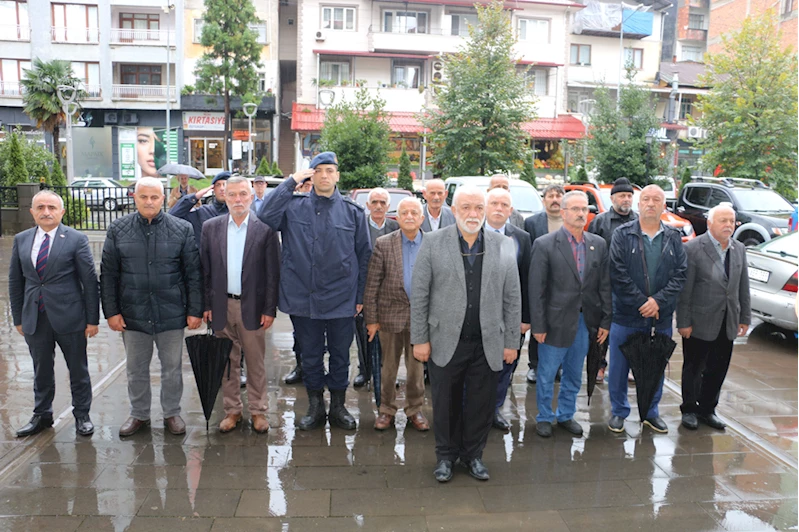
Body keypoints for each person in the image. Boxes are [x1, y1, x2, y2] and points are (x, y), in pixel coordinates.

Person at [411, 185, 521, 483]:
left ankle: (474, 455)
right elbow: (420, 293)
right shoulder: (433, 242)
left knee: (480, 404)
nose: (473, 214)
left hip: (487, 343)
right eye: (466, 208)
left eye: (478, 208)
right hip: (445, 340)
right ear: (454, 209)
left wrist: (511, 341)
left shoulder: (503, 245)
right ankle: (445, 456)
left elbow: (512, 297)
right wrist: (419, 338)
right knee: (445, 403)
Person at [258, 151, 371, 431]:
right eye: (317, 170)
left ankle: (339, 406)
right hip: (303, 299)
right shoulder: (293, 207)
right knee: (309, 356)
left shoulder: (353, 212)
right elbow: (265, 216)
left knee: (341, 356)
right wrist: (291, 181)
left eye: (329, 170)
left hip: (342, 300)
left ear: (337, 175)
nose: (324, 175)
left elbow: (364, 256)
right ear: (310, 175)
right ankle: (316, 406)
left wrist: (359, 298)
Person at [101, 177, 203, 437]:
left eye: (154, 197)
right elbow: (109, 274)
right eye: (143, 197)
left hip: (171, 313)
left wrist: (194, 310)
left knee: (172, 368)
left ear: (162, 198)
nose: (149, 202)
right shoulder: (118, 229)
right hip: (133, 314)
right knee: (136, 369)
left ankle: (172, 413)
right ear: (134, 197)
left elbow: (193, 273)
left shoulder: (181, 229)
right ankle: (139, 414)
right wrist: (111, 312)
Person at [9, 191, 100, 437]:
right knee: (41, 369)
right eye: (40, 207)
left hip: (70, 317)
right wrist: (18, 317)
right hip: (35, 318)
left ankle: (82, 415)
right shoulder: (21, 240)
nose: (46, 212)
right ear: (32, 212)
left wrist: (93, 319)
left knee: (78, 369)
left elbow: (89, 282)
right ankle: (42, 415)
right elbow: (15, 282)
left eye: (51, 207)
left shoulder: (75, 239)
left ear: (61, 212)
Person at [200, 176, 280, 434]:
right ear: (223, 195)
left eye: (243, 194)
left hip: (253, 308)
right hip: (221, 305)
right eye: (232, 194)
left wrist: (269, 309)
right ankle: (232, 410)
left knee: (255, 362)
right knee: (226, 362)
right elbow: (205, 270)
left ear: (251, 196)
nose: (237, 200)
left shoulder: (264, 230)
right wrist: (206, 304)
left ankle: (258, 411)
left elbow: (272, 274)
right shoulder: (210, 228)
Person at [529, 190, 611, 438]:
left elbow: (604, 285)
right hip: (554, 323)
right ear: (563, 213)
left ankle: (565, 414)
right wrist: (538, 326)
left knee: (575, 373)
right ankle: (544, 416)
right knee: (546, 374)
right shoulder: (544, 244)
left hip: (585, 323)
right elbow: (537, 289)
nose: (580, 214)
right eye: (574, 209)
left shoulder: (598, 244)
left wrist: (606, 320)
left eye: (584, 209)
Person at [608, 184, 687, 434]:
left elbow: (681, 274)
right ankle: (619, 412)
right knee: (619, 369)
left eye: (657, 200)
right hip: (626, 315)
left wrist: (658, 302)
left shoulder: (674, 237)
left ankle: (650, 412)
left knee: (655, 367)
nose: (651, 203)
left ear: (664, 206)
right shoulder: (622, 235)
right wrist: (642, 302)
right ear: (638, 204)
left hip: (660, 318)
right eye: (646, 199)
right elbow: (617, 273)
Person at [677, 203, 750, 431]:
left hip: (727, 321)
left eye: (732, 221)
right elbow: (685, 290)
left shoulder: (739, 249)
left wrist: (744, 317)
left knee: (718, 368)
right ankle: (689, 409)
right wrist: (683, 322)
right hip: (699, 321)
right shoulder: (694, 248)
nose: (728, 225)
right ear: (710, 223)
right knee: (693, 367)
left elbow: (742, 287)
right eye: (723, 220)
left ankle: (708, 409)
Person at [364, 197, 429, 432]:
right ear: (397, 218)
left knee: (416, 370)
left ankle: (415, 409)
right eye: (405, 213)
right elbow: (372, 285)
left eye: (414, 212)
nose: (410, 216)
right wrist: (371, 320)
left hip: (421, 319)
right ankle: (386, 410)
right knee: (388, 369)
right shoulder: (384, 243)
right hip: (389, 318)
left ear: (421, 218)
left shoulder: (432, 243)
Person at [483, 188, 531, 431]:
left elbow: (527, 278)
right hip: (478, 317)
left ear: (511, 211)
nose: (499, 208)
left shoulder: (522, 237)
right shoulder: (472, 234)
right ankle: (474, 410)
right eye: (494, 203)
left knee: (506, 366)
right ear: (485, 207)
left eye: (504, 205)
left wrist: (525, 318)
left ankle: (495, 410)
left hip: (511, 317)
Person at [587, 177, 637, 382]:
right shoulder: (601, 221)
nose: (626, 199)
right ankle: (599, 365)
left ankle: (632, 365)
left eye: (629, 196)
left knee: (632, 328)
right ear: (612, 198)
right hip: (606, 284)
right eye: (622, 196)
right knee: (602, 328)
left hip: (632, 286)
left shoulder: (638, 221)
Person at [353, 188, 401, 388]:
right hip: (364, 290)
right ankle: (364, 371)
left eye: (382, 202)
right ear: (368, 205)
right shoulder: (358, 226)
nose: (378, 206)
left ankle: (388, 371)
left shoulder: (395, 227)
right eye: (374, 202)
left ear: (388, 207)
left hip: (389, 291)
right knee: (364, 334)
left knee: (389, 336)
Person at [523, 184, 565, 384]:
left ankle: (558, 366)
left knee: (560, 326)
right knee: (538, 325)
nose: (555, 199)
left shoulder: (570, 221)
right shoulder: (532, 223)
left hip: (565, 284)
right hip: (540, 281)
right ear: (544, 199)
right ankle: (535, 365)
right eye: (551, 196)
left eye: (558, 195)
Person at [282, 176, 315, 386]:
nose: (308, 190)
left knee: (320, 337)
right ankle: (300, 366)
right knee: (299, 334)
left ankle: (316, 369)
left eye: (311, 186)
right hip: (298, 285)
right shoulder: (292, 209)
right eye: (305, 186)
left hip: (320, 287)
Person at [169, 171, 230, 250]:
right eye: (218, 185)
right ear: (213, 189)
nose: (222, 188)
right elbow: (172, 217)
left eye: (225, 184)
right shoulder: (203, 212)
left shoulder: (240, 214)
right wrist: (194, 197)